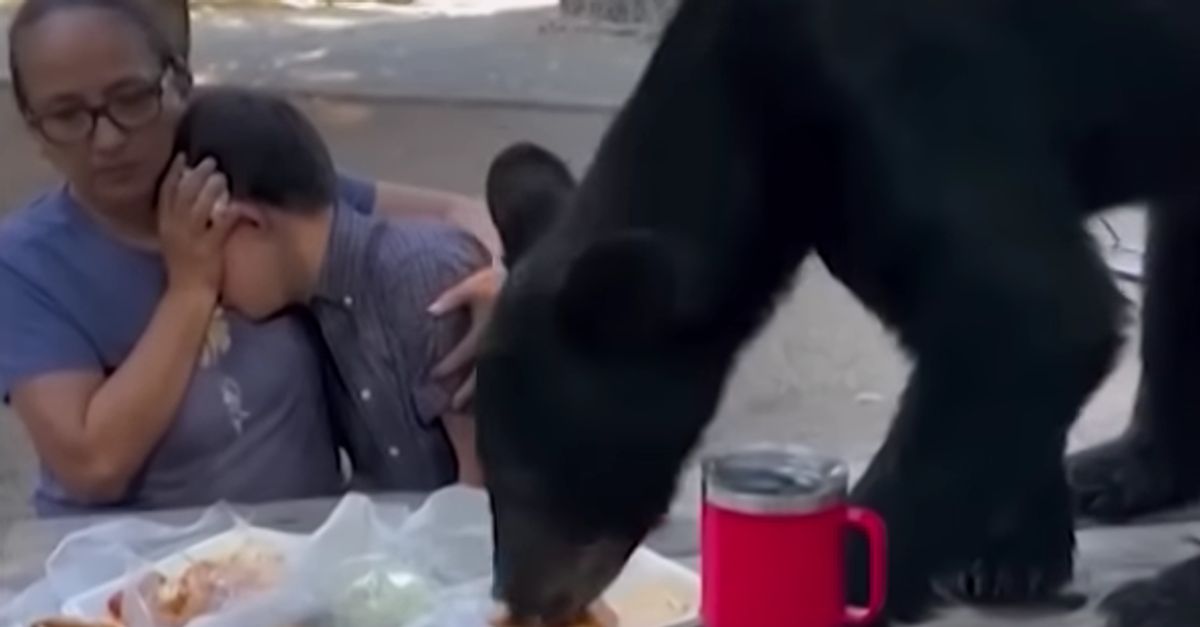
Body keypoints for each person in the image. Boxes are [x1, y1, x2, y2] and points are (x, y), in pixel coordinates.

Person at [0, 0, 500, 515]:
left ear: (179, 85)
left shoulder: (239, 175)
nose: (107, 139)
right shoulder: (25, 263)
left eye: (131, 99)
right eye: (66, 115)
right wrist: (190, 290)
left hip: (304, 546)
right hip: (130, 557)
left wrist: (500, 280)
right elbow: (92, 466)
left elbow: (457, 211)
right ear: (35, 129)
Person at [177, 87, 489, 488]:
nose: (211, 285)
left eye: (206, 249)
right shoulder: (317, 309)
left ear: (246, 222)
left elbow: (479, 493)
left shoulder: (423, 280)